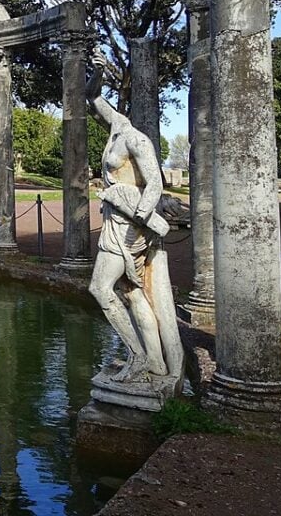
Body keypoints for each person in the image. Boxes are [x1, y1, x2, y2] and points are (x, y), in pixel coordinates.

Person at [85, 51, 180, 383]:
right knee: (132, 291)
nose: (98, 113)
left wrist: (139, 215)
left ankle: (138, 355)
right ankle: (153, 359)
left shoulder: (136, 139)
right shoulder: (115, 128)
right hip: (115, 219)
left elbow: (155, 180)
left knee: (99, 288)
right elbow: (92, 95)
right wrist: (97, 70)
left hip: (128, 226)